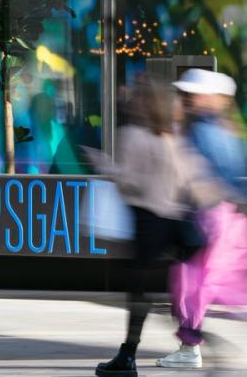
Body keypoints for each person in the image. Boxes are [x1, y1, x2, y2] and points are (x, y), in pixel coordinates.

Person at [89, 76, 229, 377]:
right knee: (172, 289)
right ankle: (198, 339)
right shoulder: (175, 135)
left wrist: (105, 166)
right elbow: (194, 179)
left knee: (138, 291)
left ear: (145, 101)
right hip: (177, 224)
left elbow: (130, 183)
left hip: (148, 222)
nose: (133, 99)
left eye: (139, 96)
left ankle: (127, 357)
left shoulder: (133, 135)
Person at [156, 69, 247, 369]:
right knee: (205, 282)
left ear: (211, 98)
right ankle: (189, 343)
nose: (186, 99)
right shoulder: (227, 131)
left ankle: (189, 347)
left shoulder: (199, 131)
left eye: (191, 94)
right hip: (224, 217)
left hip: (202, 217)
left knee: (190, 283)